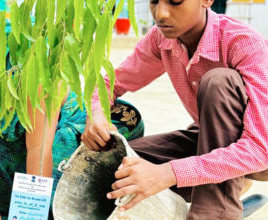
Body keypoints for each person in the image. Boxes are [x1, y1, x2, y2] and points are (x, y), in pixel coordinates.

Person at [0, 0, 144, 219]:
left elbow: (38, 149)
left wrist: (29, 215)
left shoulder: (29, 55)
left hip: (53, 135)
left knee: (103, 133)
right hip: (4, 152)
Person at [81, 0, 268, 219]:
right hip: (209, 137)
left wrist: (166, 174)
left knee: (219, 81)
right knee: (118, 169)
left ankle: (215, 211)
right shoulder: (161, 39)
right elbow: (109, 84)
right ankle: (230, 185)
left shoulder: (243, 43)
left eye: (176, 1)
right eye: (154, 1)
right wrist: (96, 114)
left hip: (258, 149)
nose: (161, 14)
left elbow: (259, 149)